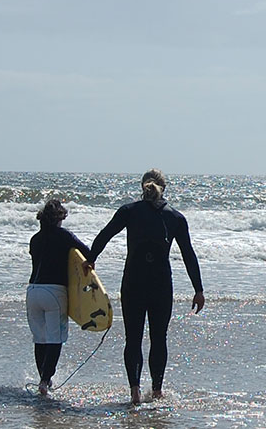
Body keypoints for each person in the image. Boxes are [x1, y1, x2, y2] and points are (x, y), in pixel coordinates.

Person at [83, 169, 204, 405]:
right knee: (159, 338)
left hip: (133, 283)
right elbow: (189, 254)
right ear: (164, 189)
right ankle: (157, 391)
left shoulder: (129, 211)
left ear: (142, 187)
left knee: (133, 338)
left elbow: (105, 235)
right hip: (161, 285)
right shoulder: (175, 217)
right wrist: (198, 289)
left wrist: (90, 258)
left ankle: (135, 392)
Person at [27, 200, 90, 395]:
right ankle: (45, 382)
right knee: (55, 339)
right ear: (59, 219)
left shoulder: (34, 239)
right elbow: (87, 253)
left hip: (33, 292)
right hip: (54, 292)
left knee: (40, 339)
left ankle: (43, 380)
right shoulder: (64, 236)